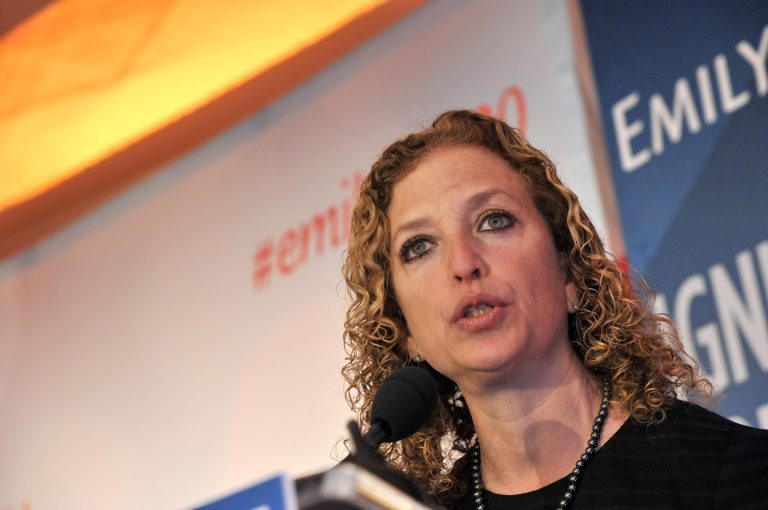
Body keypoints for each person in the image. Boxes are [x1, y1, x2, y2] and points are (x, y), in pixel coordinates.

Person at [340, 110, 768, 509]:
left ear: (567, 273)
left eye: (493, 221)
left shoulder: (730, 472)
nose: (463, 263)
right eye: (419, 247)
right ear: (403, 329)